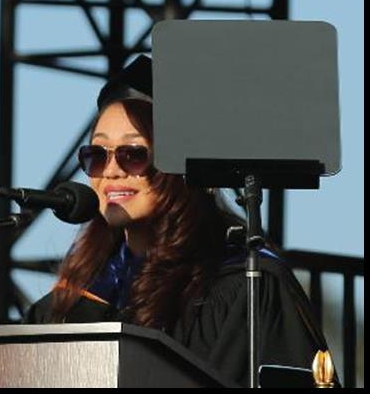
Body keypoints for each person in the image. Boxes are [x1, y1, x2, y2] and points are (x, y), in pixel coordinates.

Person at [22, 55, 337, 388]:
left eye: (134, 154)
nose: (111, 170)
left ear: (182, 166)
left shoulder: (244, 285)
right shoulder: (83, 292)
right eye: (97, 155)